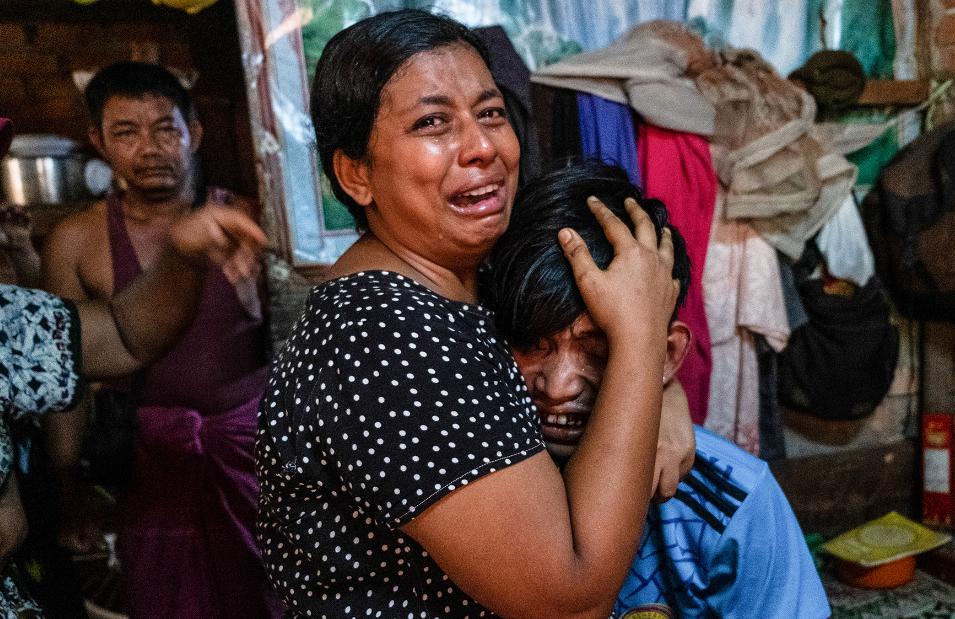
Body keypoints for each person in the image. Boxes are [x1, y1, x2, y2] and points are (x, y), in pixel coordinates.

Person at [257, 9, 689, 618]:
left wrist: (665, 394)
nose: (483, 147)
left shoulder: (460, 283)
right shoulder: (389, 337)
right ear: (355, 174)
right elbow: (568, 601)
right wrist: (642, 341)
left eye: (490, 114)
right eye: (432, 123)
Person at [484, 161, 831, 619]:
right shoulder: (473, 474)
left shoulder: (731, 500)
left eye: (598, 349)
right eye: (531, 344)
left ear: (667, 355)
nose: (557, 387)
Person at [1, 111, 269, 616]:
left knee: (267, 590)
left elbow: (110, 338)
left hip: (248, 454)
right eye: (127, 132)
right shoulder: (78, 238)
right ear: (98, 142)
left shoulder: (248, 216)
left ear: (196, 132)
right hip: (147, 466)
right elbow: (71, 385)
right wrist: (69, 490)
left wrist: (183, 251)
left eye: (166, 129)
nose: (149, 148)